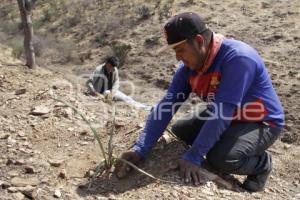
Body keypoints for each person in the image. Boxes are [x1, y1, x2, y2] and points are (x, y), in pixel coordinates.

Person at [114, 12, 284, 192]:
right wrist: (140, 148)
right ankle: (226, 141)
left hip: (260, 121)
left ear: (199, 41)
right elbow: (167, 105)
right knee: (181, 129)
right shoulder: (189, 68)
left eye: (180, 50)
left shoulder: (238, 59)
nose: (178, 57)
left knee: (220, 158)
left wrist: (195, 156)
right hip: (227, 115)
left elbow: (223, 112)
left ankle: (262, 164)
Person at [86, 56, 151, 110]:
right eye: (110, 66)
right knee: (124, 99)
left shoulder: (114, 69)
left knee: (126, 98)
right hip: (102, 93)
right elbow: (89, 82)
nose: (111, 69)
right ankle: (144, 107)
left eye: (113, 67)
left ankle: (144, 106)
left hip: (110, 92)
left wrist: (112, 92)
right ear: (107, 63)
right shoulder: (99, 70)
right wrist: (96, 93)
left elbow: (116, 81)